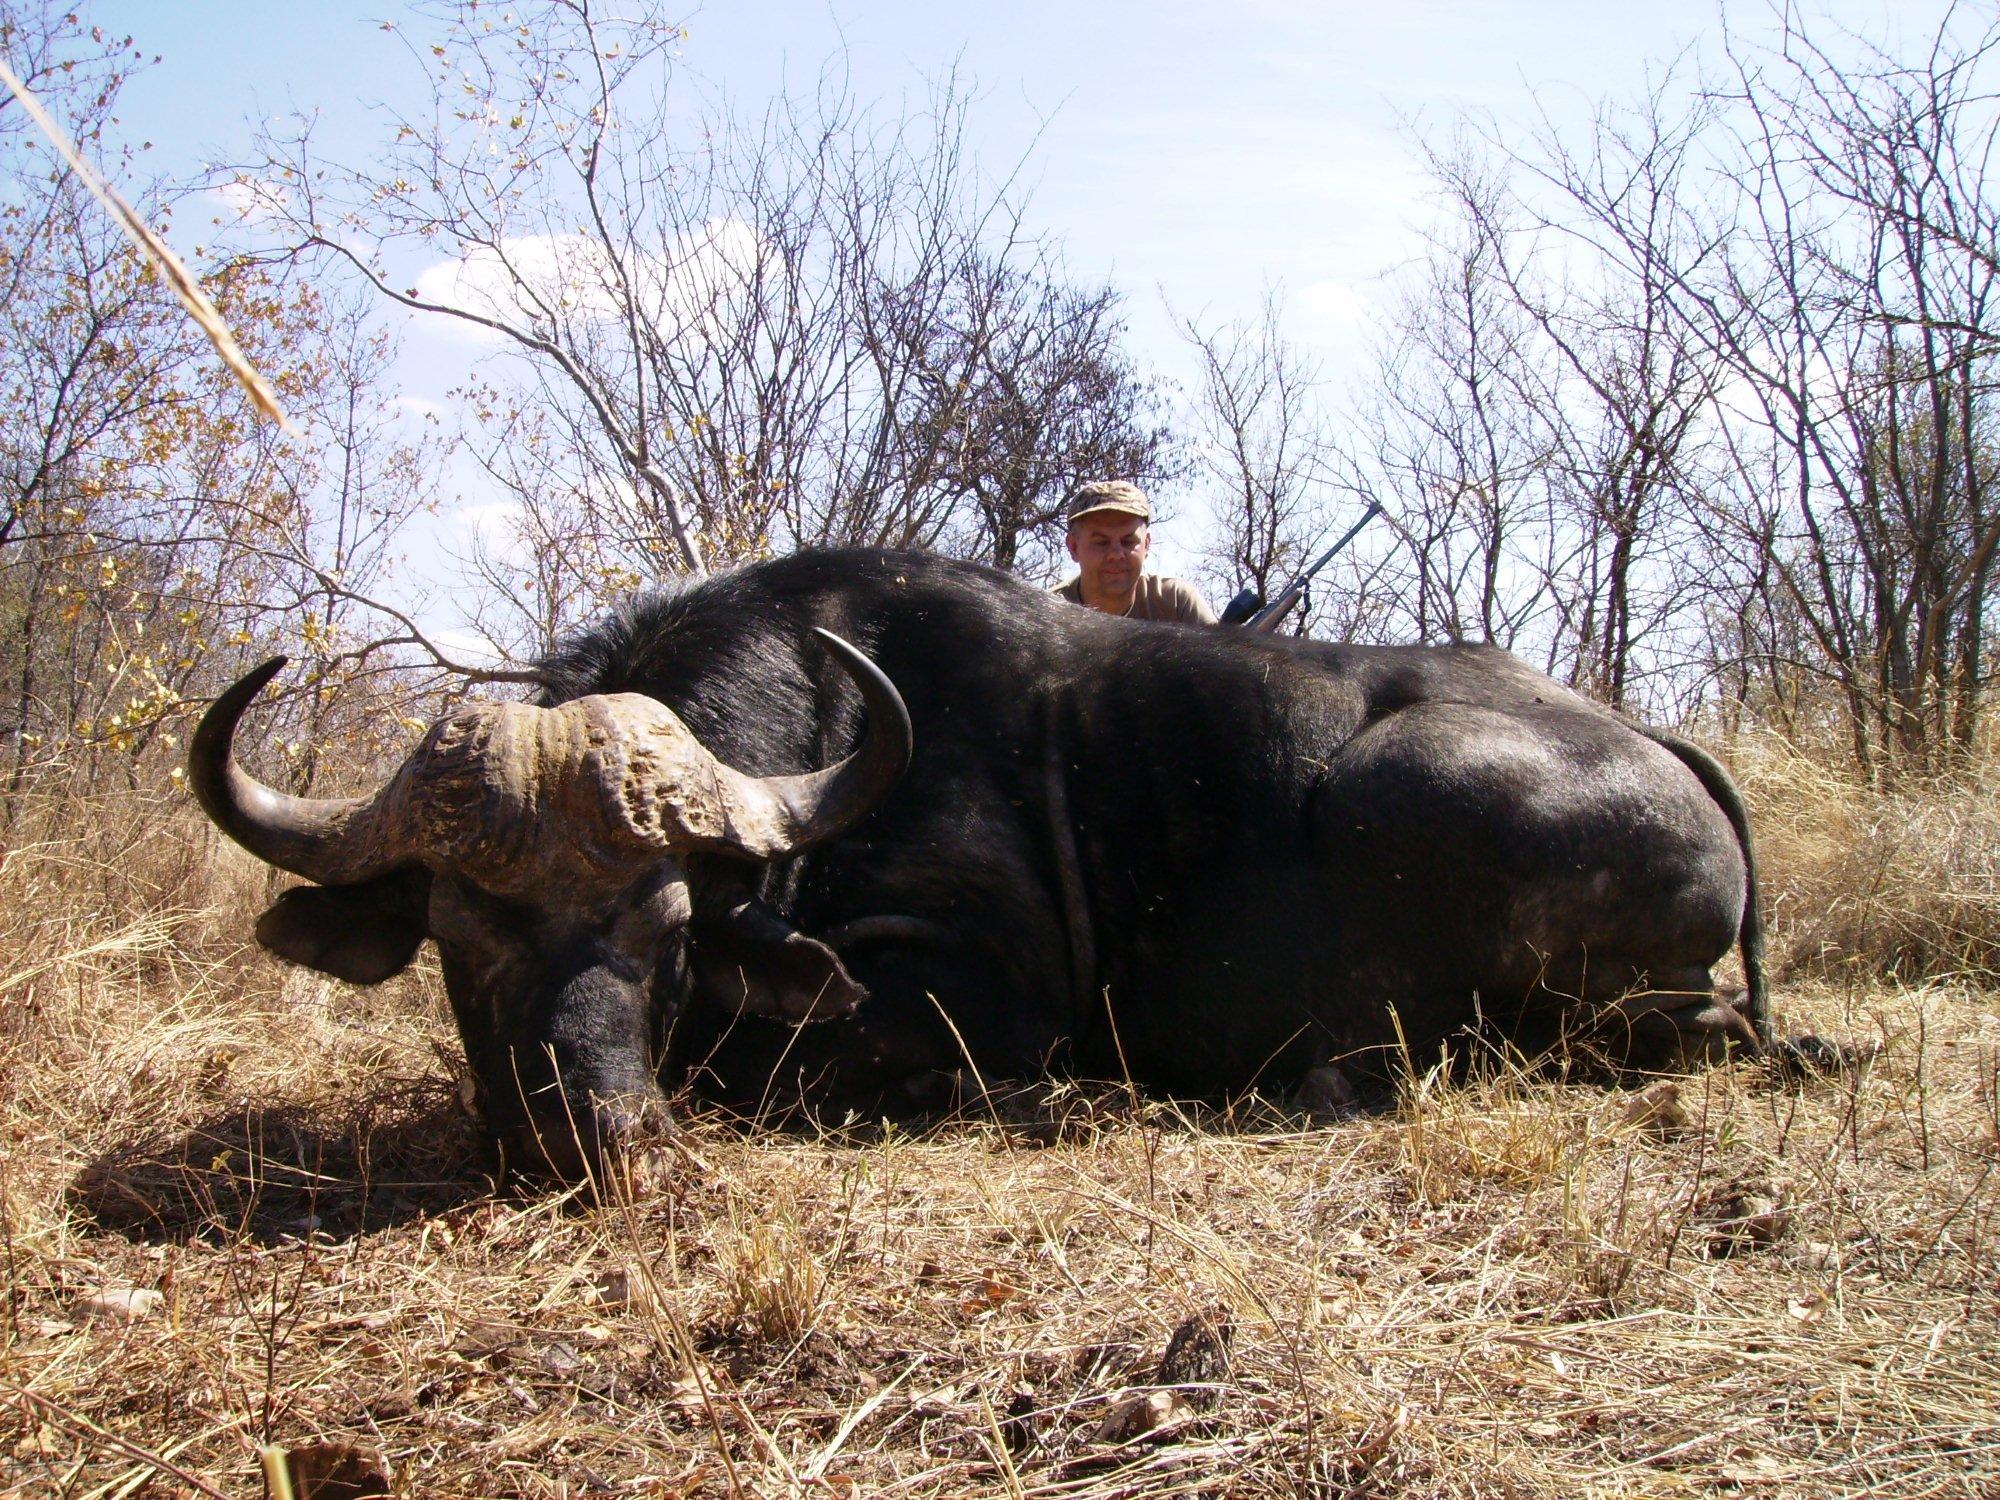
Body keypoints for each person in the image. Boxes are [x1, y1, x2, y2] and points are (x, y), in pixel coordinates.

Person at [1053, 481, 1218, 624]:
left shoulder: (1178, 603)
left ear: (1146, 545)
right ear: (1074, 547)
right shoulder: (1049, 613)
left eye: (1128, 542)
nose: (1116, 554)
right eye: (1101, 542)